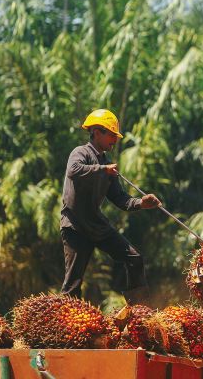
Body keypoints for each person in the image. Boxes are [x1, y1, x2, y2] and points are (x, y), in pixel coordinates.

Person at [60, 109, 161, 305]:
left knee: (134, 258)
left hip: (96, 226)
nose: (114, 139)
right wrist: (102, 170)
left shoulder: (107, 165)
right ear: (96, 132)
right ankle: (68, 326)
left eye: (115, 135)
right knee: (73, 283)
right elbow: (74, 170)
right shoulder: (81, 153)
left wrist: (141, 203)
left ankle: (139, 311)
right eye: (111, 134)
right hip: (75, 225)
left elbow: (120, 199)